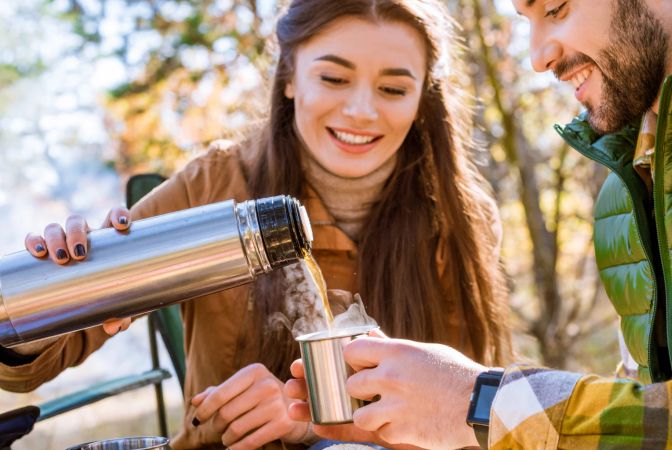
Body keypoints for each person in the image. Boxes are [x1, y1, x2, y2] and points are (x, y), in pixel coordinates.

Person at [286, 0, 672, 448]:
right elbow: (648, 418)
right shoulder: (622, 184)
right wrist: (420, 420)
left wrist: (483, 403)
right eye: (525, 21)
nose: (537, 57)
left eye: (554, 9)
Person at [0, 0, 512, 448]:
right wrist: (48, 291)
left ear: (423, 96)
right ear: (289, 78)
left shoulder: (460, 220)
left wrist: (310, 424)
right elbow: (33, 365)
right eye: (333, 78)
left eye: (394, 88)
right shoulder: (215, 184)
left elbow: (471, 416)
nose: (361, 110)